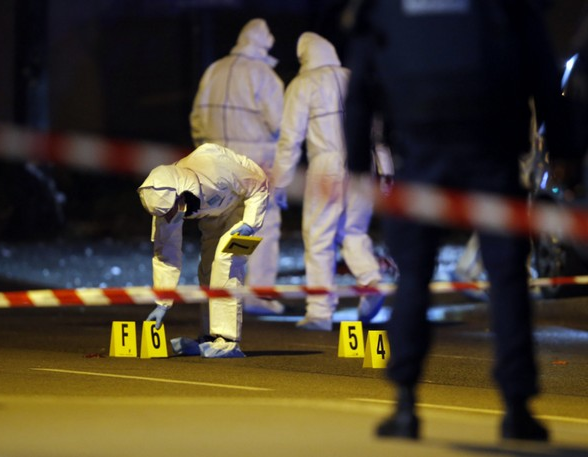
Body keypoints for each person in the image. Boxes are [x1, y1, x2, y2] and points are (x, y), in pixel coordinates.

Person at [344, 0, 579, 442]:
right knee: (507, 278)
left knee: (413, 278)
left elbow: (361, 86)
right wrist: (565, 150)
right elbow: (542, 71)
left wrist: (358, 166)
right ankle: (517, 409)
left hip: (419, 152)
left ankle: (406, 405)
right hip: (490, 151)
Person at [272, 31, 386, 331]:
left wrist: (280, 181)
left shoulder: (302, 84)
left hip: (326, 167)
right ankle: (371, 279)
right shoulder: (353, 76)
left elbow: (289, 139)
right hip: (363, 166)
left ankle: (320, 312)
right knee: (353, 229)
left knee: (319, 238)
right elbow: (379, 127)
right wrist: (385, 168)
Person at [190, 18, 285, 316]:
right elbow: (282, 125)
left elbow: (197, 119)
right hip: (256, 167)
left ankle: (224, 291)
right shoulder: (264, 75)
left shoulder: (213, 70)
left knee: (221, 229)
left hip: (218, 166)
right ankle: (258, 293)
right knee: (261, 227)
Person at [137, 143, 269, 358]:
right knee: (207, 269)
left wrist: (251, 223)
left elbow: (259, 183)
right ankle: (209, 337)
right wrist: (162, 303)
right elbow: (166, 255)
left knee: (226, 263)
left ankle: (228, 341)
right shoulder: (165, 204)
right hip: (213, 218)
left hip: (242, 209)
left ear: (182, 192)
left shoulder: (215, 168)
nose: (170, 217)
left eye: (170, 211)